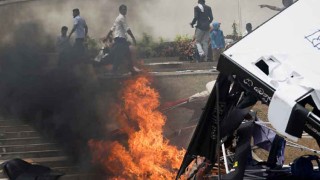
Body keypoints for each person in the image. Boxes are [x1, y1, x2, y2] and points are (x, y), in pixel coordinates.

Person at [105, 4, 139, 75]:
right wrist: (133, 37)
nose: (125, 11)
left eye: (125, 9)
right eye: (123, 9)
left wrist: (107, 37)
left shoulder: (118, 18)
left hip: (121, 40)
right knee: (119, 55)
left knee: (127, 54)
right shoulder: (121, 18)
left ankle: (131, 69)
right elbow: (127, 29)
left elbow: (112, 28)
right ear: (120, 10)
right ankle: (114, 71)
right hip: (120, 40)